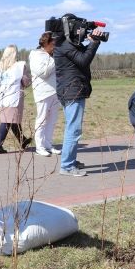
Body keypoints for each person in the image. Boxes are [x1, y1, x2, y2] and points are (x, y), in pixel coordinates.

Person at [54, 14, 104, 177]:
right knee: (73, 129)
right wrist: (94, 42)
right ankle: (67, 166)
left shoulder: (66, 44)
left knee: (72, 127)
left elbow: (83, 54)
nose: (80, 32)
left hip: (71, 89)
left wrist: (93, 40)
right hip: (72, 91)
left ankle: (70, 161)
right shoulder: (64, 45)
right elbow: (84, 60)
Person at [0, 45, 32, 154]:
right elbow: (25, 82)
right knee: (7, 122)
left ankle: (23, 141)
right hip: (14, 97)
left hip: (3, 97)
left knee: (12, 120)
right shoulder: (20, 66)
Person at [29, 32, 61, 157]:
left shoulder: (50, 55)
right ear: (46, 43)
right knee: (41, 120)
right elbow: (43, 72)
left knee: (52, 121)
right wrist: (55, 60)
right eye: (52, 44)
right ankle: (39, 146)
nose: (54, 46)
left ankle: (48, 144)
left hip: (54, 92)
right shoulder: (36, 55)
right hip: (43, 93)